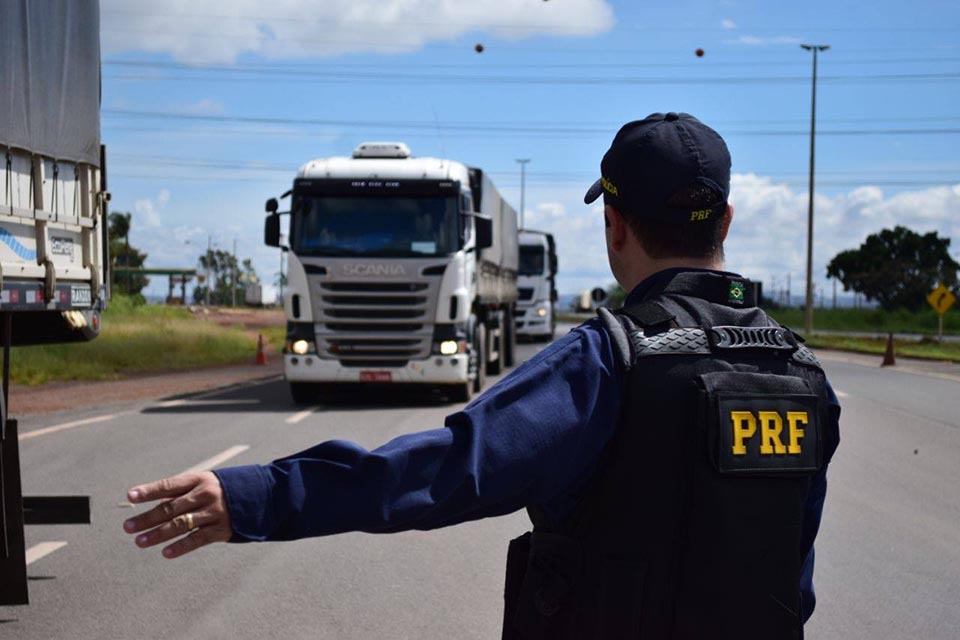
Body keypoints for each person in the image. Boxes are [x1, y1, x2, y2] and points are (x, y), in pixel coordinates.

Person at [124, 112, 840, 639]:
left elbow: (446, 472)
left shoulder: (610, 361)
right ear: (728, 220)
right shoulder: (803, 374)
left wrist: (258, 497)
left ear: (614, 225)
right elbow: (790, 576)